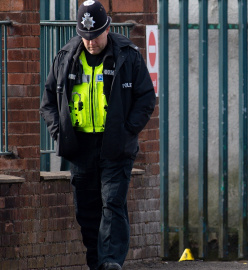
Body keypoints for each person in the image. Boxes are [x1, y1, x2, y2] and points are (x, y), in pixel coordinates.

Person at [39, 1, 156, 269]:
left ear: (108, 28)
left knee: (112, 205)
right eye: (86, 36)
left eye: (96, 36)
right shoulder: (66, 57)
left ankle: (111, 262)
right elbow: (48, 101)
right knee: (87, 211)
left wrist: (127, 131)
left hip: (115, 145)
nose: (91, 42)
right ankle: (98, 263)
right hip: (80, 147)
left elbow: (146, 97)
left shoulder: (128, 55)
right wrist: (60, 133)